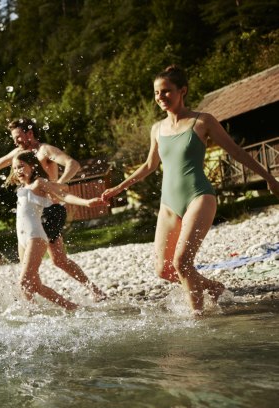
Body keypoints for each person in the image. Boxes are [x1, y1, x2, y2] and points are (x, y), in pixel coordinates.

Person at [101, 65, 279, 314]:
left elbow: (235, 151)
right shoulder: (157, 129)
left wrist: (268, 177)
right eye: (156, 93)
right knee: (164, 270)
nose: (160, 97)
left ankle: (197, 320)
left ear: (182, 90)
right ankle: (213, 287)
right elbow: (149, 165)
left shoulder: (202, 121)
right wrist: (119, 188)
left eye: (166, 91)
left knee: (182, 262)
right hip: (168, 203)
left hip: (199, 196)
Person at [0, 118, 107, 301]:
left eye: (18, 137)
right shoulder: (18, 153)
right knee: (47, 263)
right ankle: (36, 306)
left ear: (30, 133)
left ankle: (78, 298)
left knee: (53, 262)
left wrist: (57, 185)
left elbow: (73, 165)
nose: (15, 142)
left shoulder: (45, 150)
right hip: (34, 212)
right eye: (14, 138)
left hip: (50, 210)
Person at [3, 152, 107, 310]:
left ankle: (36, 315)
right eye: (15, 168)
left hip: (36, 237)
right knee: (32, 285)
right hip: (22, 240)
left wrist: (86, 203)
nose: (18, 170)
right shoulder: (22, 187)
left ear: (33, 166)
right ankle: (70, 308)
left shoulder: (39, 183)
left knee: (24, 282)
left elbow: (64, 195)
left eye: (22, 166)